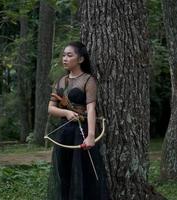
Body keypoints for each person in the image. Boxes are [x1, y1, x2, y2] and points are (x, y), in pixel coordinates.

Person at [47, 41, 109, 200]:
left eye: (69, 55)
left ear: (80, 59)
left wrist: (91, 136)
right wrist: (66, 113)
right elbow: (51, 108)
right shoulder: (61, 81)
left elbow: (90, 109)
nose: (65, 58)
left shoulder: (88, 80)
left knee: (85, 173)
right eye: (63, 55)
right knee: (64, 172)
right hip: (64, 132)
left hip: (81, 132)